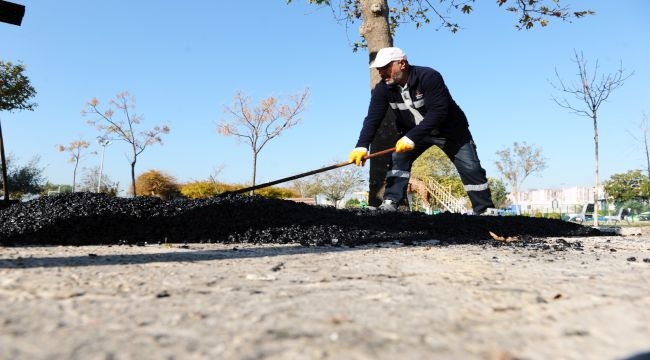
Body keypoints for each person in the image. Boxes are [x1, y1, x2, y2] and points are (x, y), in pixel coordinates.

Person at [348, 47, 495, 215]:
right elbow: (373, 119)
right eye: (379, 69)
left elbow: (438, 112)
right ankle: (390, 203)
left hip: (451, 132)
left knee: (471, 168)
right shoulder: (383, 89)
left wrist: (410, 138)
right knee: (398, 157)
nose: (381, 72)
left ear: (402, 64)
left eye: (386, 67)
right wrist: (361, 146)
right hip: (415, 133)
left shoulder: (429, 77)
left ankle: (485, 211)